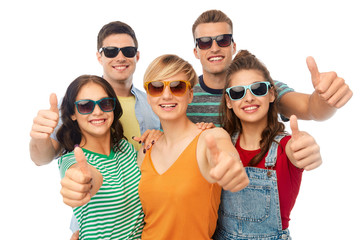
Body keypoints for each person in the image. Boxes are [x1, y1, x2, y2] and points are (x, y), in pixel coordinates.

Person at [137, 54, 249, 240]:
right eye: (156, 87)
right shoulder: (146, 151)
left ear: (190, 95)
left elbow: (225, 155)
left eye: (177, 87)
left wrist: (229, 165)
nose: (166, 95)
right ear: (148, 96)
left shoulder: (210, 137)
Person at [212, 50, 322, 239]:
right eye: (238, 92)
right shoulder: (222, 143)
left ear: (271, 94)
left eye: (258, 89)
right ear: (228, 102)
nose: (248, 98)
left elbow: (298, 149)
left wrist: (306, 148)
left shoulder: (286, 147)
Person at [187, 9, 352, 126]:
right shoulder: (182, 94)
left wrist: (325, 99)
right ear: (196, 51)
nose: (214, 48)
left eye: (222, 40)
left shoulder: (262, 88)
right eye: (204, 42)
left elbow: (310, 108)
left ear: (233, 46)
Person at [30, 20, 160, 166]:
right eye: (111, 51)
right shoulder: (79, 102)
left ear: (137, 56)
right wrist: (39, 138)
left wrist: (161, 137)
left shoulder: (154, 102)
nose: (120, 58)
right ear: (99, 57)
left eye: (128, 51)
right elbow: (41, 158)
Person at [57, 75, 144, 239]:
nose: (97, 111)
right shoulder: (72, 160)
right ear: (73, 114)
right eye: (85, 106)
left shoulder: (126, 148)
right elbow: (86, 176)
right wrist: (81, 181)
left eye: (105, 103)